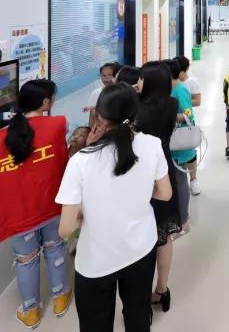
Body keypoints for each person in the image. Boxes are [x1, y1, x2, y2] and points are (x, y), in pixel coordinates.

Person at [56, 84, 172, 332]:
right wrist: (140, 191)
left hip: (97, 261)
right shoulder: (152, 144)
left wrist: (88, 212)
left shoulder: (81, 162)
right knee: (138, 315)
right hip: (141, 249)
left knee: (96, 324)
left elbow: (65, 229)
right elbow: (165, 193)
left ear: (98, 116)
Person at [1, 80, 72, 328]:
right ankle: (61, 298)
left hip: (19, 214)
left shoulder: (3, 137)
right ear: (45, 102)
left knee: (26, 260)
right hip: (52, 206)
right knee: (56, 249)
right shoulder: (58, 124)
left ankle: (30, 311)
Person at [134, 61, 181, 313]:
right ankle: (162, 288)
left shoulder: (137, 110)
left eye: (141, 79)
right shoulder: (171, 104)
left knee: (141, 234)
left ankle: (138, 295)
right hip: (163, 169)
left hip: (140, 172)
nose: (137, 83)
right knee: (163, 234)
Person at [167, 59, 196, 222]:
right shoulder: (171, 88)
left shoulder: (180, 89)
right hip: (172, 138)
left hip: (180, 139)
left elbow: (188, 114)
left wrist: (168, 114)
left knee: (180, 179)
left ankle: (183, 217)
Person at [175, 56, 202, 196]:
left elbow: (197, 101)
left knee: (190, 151)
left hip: (187, 122)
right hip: (173, 124)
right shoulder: (172, 84)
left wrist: (184, 100)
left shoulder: (191, 82)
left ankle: (193, 179)